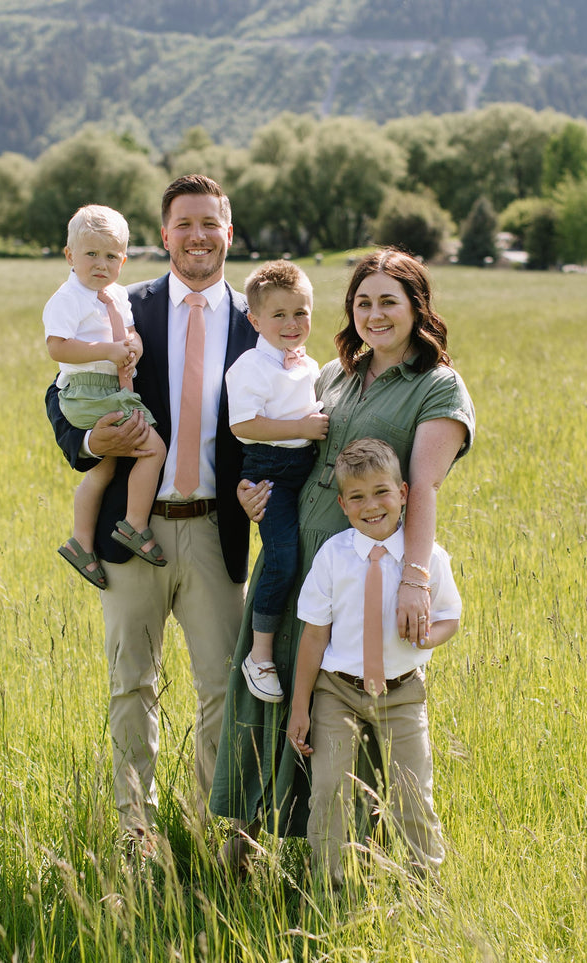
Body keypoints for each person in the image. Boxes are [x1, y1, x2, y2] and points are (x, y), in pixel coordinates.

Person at [210, 247, 475, 866]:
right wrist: (256, 493)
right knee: (268, 686)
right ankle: (248, 839)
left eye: (389, 300)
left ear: (417, 306)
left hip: (364, 574)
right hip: (293, 559)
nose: (375, 313)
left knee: (348, 702)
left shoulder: (437, 387)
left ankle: (356, 851)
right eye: (363, 301)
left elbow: (425, 488)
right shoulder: (333, 373)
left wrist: (415, 581)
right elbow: (284, 446)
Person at [46, 175, 258, 849]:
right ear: (163, 236)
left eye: (210, 223)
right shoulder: (118, 306)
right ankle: (137, 836)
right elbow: (61, 394)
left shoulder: (261, 321)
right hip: (127, 529)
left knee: (224, 689)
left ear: (229, 232)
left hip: (214, 531)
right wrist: (87, 441)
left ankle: (217, 836)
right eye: (183, 224)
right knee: (130, 686)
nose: (197, 235)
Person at [287, 437, 461, 887]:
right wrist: (300, 707)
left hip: (403, 693)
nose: (371, 505)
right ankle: (330, 884)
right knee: (329, 790)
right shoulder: (333, 557)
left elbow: (450, 618)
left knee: (411, 793)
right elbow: (313, 636)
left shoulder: (427, 559)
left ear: (403, 493)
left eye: (382, 492)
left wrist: (427, 636)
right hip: (337, 692)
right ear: (343, 504)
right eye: (358, 497)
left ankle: (426, 889)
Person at [43, 204, 168, 590]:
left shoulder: (115, 295)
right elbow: (58, 349)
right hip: (88, 392)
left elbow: (128, 333)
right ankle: (134, 523)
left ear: (123, 260)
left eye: (111, 256)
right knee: (153, 450)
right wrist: (107, 352)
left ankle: (81, 540)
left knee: (105, 467)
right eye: (91, 254)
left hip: (111, 384)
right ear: (70, 256)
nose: (101, 264)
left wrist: (133, 348)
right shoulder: (69, 298)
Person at [224, 260, 328, 703]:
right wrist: (302, 429)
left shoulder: (308, 364)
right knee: (282, 557)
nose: (292, 324)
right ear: (255, 320)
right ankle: (260, 653)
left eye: (301, 313)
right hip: (269, 471)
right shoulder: (249, 366)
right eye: (279, 315)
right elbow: (244, 425)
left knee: (313, 555)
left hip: (305, 467)